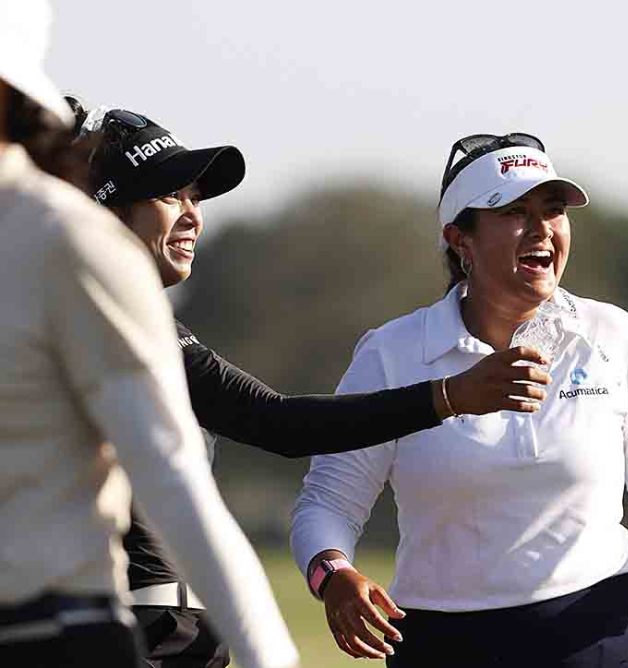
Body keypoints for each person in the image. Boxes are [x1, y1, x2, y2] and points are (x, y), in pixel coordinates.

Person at [68, 101, 552, 668]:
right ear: (101, 213)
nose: (194, 217)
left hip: (173, 636)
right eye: (169, 195)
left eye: (196, 198)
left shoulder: (134, 323)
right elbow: (281, 423)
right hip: (123, 638)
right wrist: (449, 397)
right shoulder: (99, 323)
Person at [291, 133, 628, 667]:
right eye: (514, 211)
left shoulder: (616, 335)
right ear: (460, 237)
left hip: (603, 629)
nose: (542, 229)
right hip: (443, 641)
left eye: (553, 211)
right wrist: (332, 573)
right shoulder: (390, 354)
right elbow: (328, 503)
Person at [0, 2, 299, 668]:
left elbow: (175, 480)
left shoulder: (69, 241)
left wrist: (268, 657)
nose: (191, 212)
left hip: (60, 636)